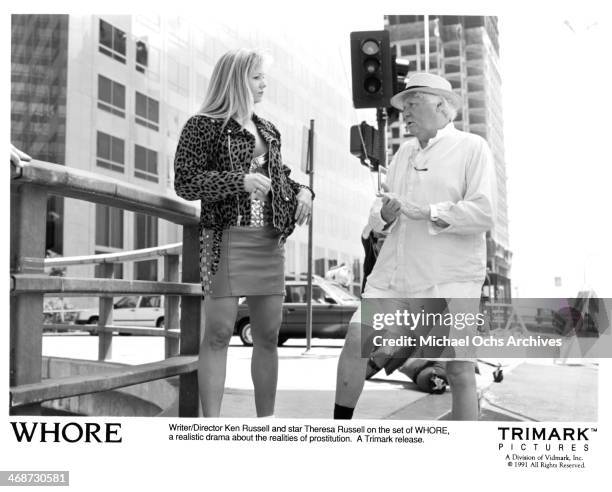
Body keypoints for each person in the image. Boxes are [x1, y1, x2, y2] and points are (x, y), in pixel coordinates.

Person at [334, 72, 496, 420]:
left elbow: (484, 212)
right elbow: (376, 216)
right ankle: (338, 430)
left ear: (441, 104)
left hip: (450, 278)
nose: (404, 111)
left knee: (458, 369)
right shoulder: (404, 152)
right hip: (395, 273)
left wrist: (429, 212)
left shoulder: (472, 147)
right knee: (354, 346)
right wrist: (386, 216)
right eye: (403, 105)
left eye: (413, 102)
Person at [173, 49, 314, 417]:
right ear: (236, 79)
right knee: (218, 334)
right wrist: (240, 180)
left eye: (263, 77)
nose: (264, 83)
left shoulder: (268, 129)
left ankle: (265, 422)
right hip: (224, 239)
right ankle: (212, 426)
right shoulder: (202, 125)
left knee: (267, 336)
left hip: (269, 242)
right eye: (257, 77)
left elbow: (280, 177)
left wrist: (305, 191)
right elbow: (185, 182)